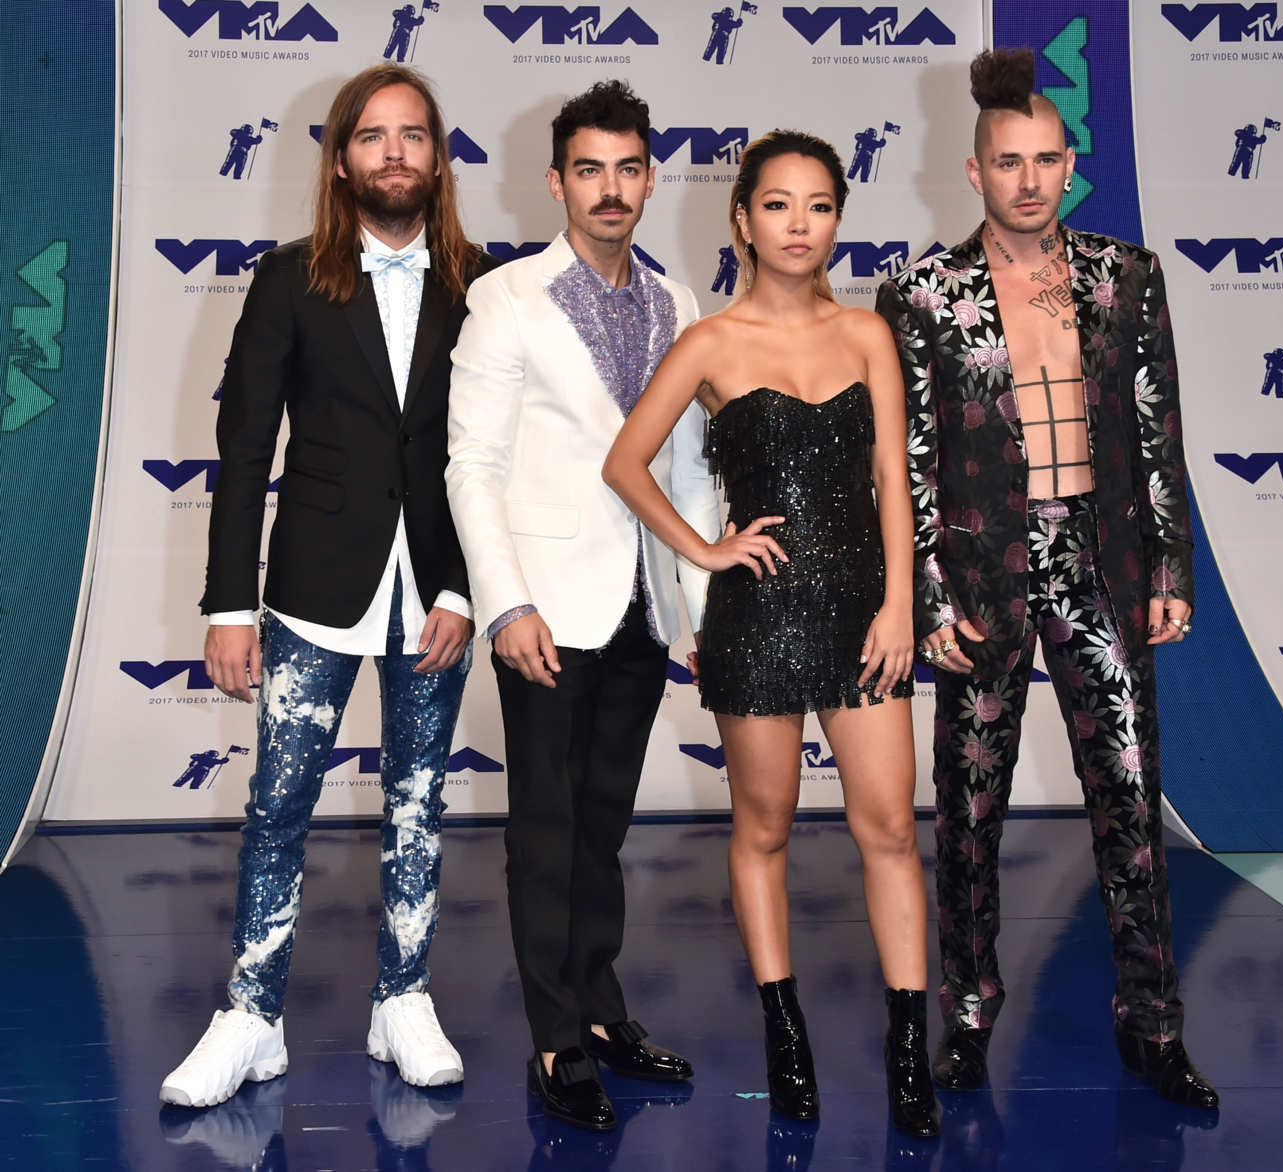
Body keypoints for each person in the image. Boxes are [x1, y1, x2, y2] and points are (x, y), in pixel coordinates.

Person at [875, 47, 1219, 1110]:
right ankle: (969, 1015)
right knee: (969, 808)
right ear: (972, 170)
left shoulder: (1126, 276)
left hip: (1100, 565)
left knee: (1128, 795)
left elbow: (1157, 430)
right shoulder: (922, 294)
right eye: (1007, 161)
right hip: (981, 576)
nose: (1028, 180)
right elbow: (910, 461)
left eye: (1045, 160)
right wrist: (930, 596)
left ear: (1070, 165)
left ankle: (1152, 1022)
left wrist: (1168, 564)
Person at [159, 63, 497, 1109]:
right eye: (372, 135)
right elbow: (243, 449)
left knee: (418, 805)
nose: (394, 152)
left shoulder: (479, 283)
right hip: (311, 590)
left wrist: (466, 589)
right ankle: (251, 1017)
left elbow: (491, 455)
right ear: (342, 158)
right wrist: (229, 604)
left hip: (437, 596)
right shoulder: (288, 278)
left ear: (437, 158)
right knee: (278, 804)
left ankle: (404, 999)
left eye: (413, 135)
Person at [603, 129, 939, 1136]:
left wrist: (900, 604)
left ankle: (908, 1051)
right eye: (779, 205)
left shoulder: (867, 333)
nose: (800, 224)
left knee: (889, 827)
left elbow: (892, 482)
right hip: (757, 620)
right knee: (764, 828)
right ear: (742, 220)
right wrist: (706, 551)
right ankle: (784, 1035)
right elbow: (625, 462)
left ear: (837, 221)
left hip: (864, 616)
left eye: (819, 206)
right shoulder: (709, 344)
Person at [446, 80, 715, 1133]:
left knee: (601, 826)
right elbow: (473, 465)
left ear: (649, 179)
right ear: (556, 181)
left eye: (628, 168)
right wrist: (505, 604)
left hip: (642, 607)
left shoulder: (678, 303)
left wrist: (698, 608)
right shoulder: (505, 297)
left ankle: (600, 1010)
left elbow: (686, 470)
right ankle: (555, 1037)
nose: (611, 188)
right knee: (546, 831)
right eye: (589, 169)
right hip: (546, 613)